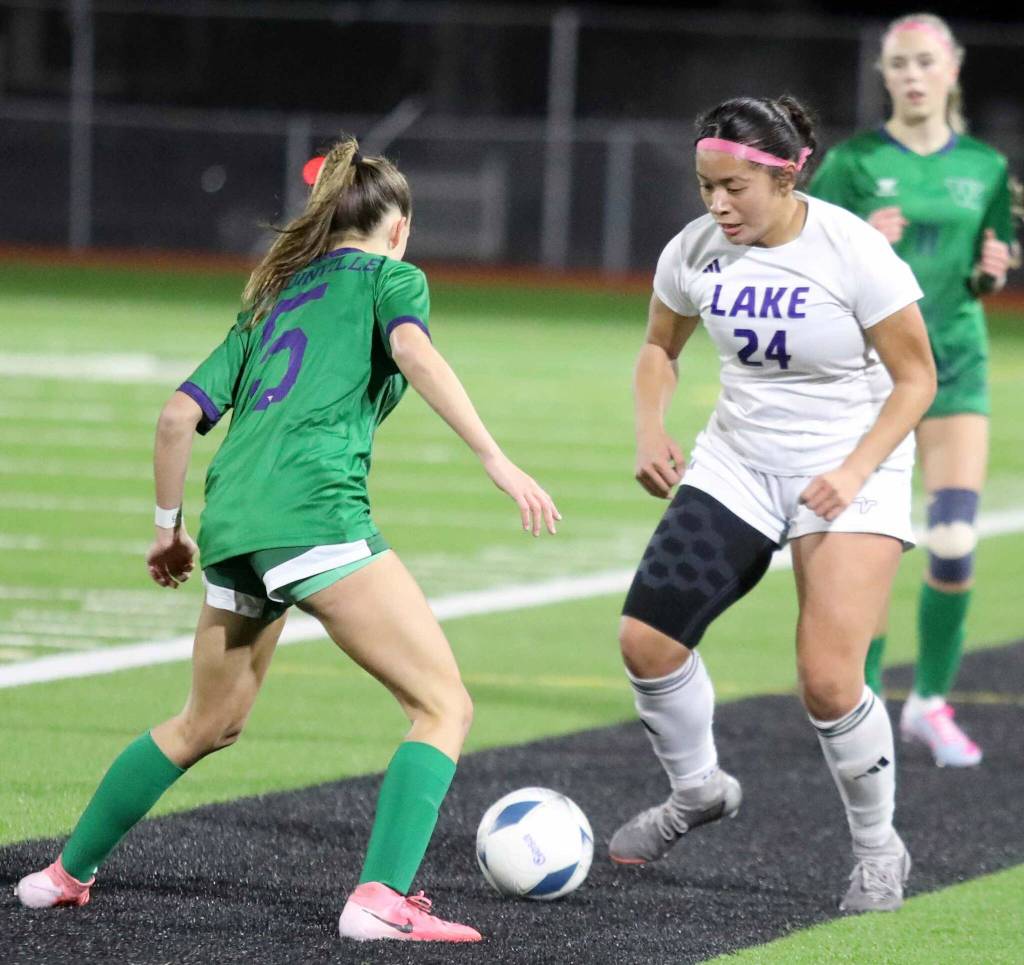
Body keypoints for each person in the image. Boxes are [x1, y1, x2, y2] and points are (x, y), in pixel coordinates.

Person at [15, 137, 560, 943]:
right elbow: (411, 349)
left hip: (235, 521)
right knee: (442, 704)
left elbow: (176, 417)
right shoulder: (393, 277)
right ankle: (380, 898)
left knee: (207, 723)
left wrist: (169, 533)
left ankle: (61, 875)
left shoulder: (269, 299)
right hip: (315, 514)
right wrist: (494, 455)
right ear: (398, 227)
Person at [607, 95, 936, 913]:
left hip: (853, 464)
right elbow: (659, 344)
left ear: (786, 176)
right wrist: (651, 423)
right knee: (646, 643)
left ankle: (876, 849)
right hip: (740, 461)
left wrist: (857, 470)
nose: (717, 204)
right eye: (705, 186)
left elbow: (917, 378)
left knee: (827, 681)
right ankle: (698, 790)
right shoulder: (695, 250)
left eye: (734, 188)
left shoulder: (854, 252)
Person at [809, 13, 1020, 768]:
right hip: (872, 375)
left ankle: (930, 702)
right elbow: (807, 252)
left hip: (955, 363)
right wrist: (864, 231)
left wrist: (996, 266)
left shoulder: (990, 168)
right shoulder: (854, 162)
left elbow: (993, 257)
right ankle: (862, 711)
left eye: (925, 62)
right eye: (898, 64)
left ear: (953, 68)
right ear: (885, 73)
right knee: (872, 554)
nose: (912, 75)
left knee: (955, 541)